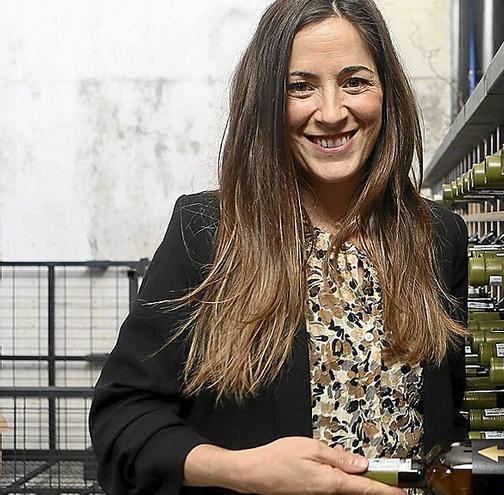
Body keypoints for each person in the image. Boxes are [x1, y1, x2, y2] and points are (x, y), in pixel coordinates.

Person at [88, 1, 469, 493]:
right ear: (266, 100)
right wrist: (242, 470)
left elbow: (453, 420)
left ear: (387, 93)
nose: (331, 113)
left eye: (354, 82)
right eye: (300, 87)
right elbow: (122, 419)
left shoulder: (437, 236)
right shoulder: (208, 233)